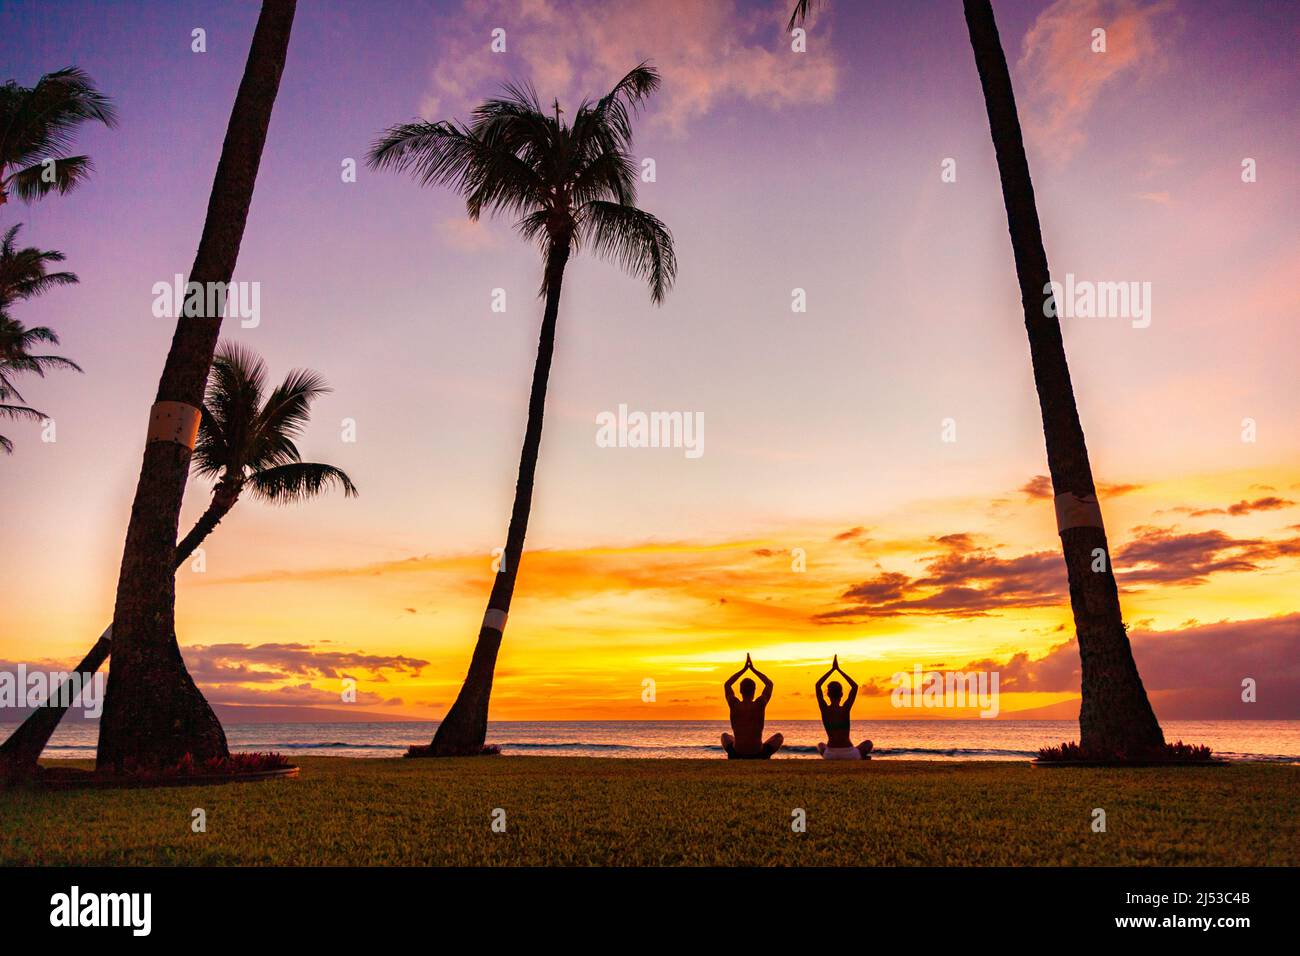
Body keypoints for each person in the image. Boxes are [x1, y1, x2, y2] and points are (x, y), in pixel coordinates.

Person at [721, 654, 784, 759]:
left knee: (725, 736)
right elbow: (769, 684)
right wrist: (753, 669)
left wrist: (744, 669)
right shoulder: (760, 704)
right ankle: (764, 755)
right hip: (758, 753)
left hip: (737, 752)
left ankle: (735, 755)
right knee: (779, 737)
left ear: (740, 691)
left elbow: (727, 684)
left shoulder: (734, 704)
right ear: (754, 690)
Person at [815, 655, 873, 760]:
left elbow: (817, 685)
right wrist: (839, 670)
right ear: (842, 694)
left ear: (828, 694)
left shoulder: (825, 709)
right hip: (850, 754)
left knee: (820, 745)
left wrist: (832, 670)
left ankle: (831, 754)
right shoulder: (845, 709)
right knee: (868, 743)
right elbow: (854, 687)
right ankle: (861, 757)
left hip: (830, 755)